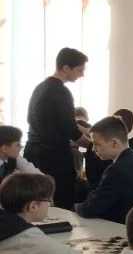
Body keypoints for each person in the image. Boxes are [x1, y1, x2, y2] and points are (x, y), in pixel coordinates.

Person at [24, 47, 89, 209]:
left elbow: (57, 121)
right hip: (53, 159)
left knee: (33, 204)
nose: (82, 75)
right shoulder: (61, 92)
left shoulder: (40, 88)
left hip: (33, 154)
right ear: (66, 68)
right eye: (79, 70)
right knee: (60, 205)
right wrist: (94, 145)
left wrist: (88, 131)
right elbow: (71, 130)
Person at [77, 117, 133, 224]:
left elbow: (91, 208)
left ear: (114, 143)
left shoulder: (116, 170)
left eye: (97, 144)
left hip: (122, 227)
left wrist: (75, 207)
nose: (93, 149)